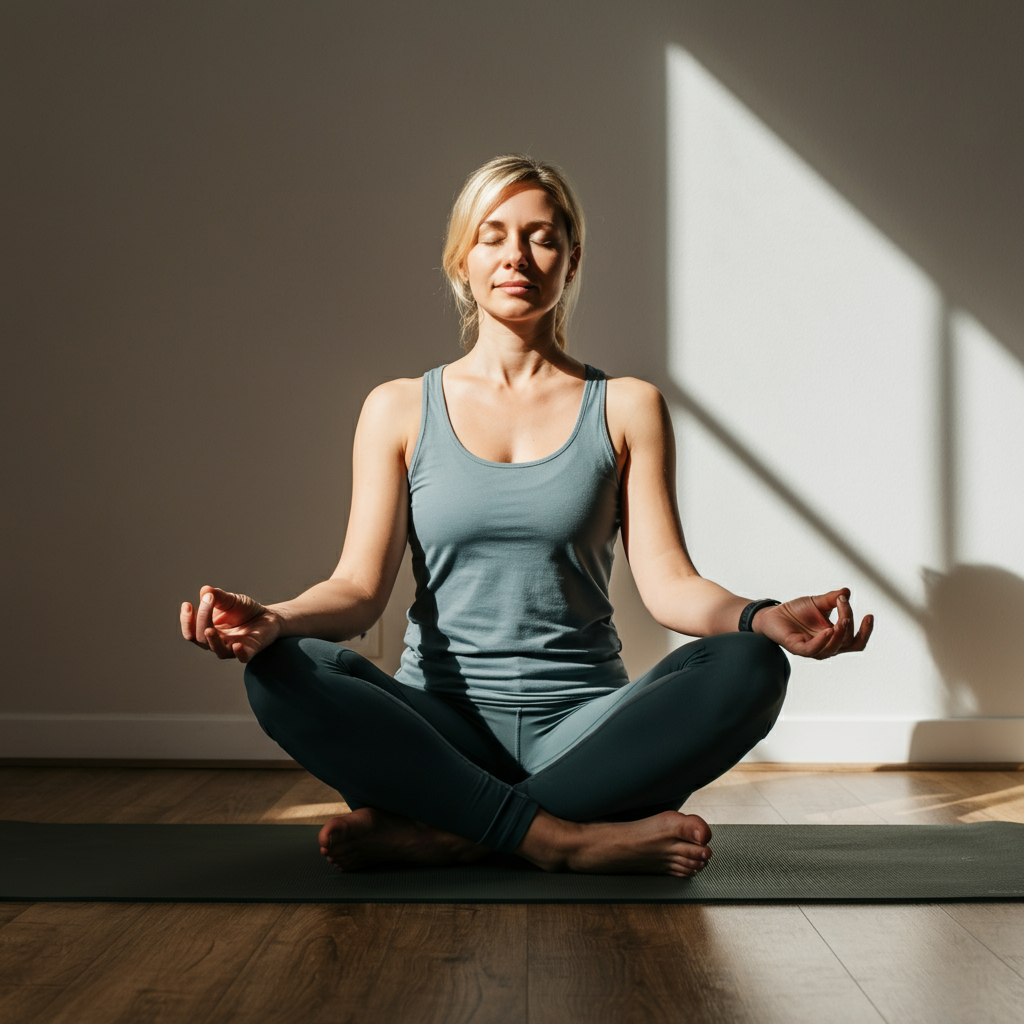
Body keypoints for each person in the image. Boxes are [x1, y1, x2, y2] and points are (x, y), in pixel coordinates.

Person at [180, 155, 872, 877]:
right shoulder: (398, 409)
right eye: (493, 235)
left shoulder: (627, 406)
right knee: (281, 669)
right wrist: (275, 620)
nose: (518, 256)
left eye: (542, 237)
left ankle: (454, 833)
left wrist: (760, 616)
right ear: (462, 259)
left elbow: (669, 584)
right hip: (436, 733)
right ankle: (562, 840)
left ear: (572, 262)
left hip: (585, 730)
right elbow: (356, 592)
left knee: (749, 666)